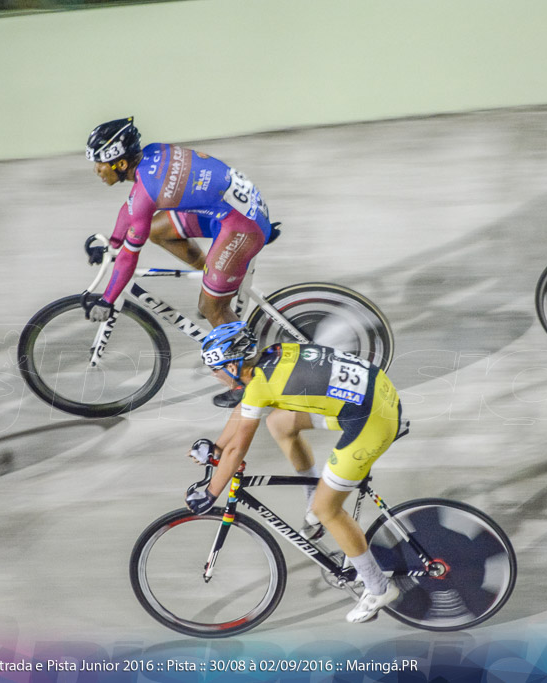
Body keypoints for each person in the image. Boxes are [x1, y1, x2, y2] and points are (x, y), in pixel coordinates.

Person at [186, 322, 408, 623]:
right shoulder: (272, 356)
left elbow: (239, 449)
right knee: (279, 423)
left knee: (327, 510)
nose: (214, 375)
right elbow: (243, 412)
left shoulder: (259, 387)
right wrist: (217, 447)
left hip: (371, 421)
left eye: (217, 368)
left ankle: (378, 586)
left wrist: (211, 493)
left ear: (236, 364)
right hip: (372, 397)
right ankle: (311, 499)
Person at [83, 117, 277, 407]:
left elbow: (129, 257)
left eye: (99, 163)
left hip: (241, 226)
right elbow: (132, 209)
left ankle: (250, 382)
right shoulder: (152, 154)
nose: (96, 170)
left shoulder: (147, 190)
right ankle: (215, 277)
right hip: (236, 209)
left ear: (120, 164)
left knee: (211, 307)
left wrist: (108, 299)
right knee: (159, 230)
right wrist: (112, 243)